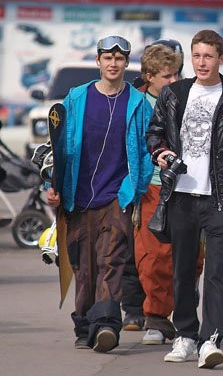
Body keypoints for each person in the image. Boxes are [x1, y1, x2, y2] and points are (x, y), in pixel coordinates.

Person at [146, 29, 223, 368]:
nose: (202, 62)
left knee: (216, 273)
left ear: (221, 59)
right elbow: (154, 133)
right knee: (182, 270)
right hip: (181, 196)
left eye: (208, 56)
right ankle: (184, 336)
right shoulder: (173, 94)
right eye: (196, 56)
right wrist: (160, 153)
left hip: (221, 199)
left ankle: (210, 340)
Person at [46, 35, 153, 352]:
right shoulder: (76, 98)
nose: (113, 63)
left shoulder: (138, 103)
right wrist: (54, 185)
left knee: (111, 261)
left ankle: (106, 324)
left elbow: (146, 152)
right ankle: (84, 325)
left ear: (126, 63)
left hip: (116, 197)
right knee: (84, 267)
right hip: (77, 198)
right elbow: (59, 146)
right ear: (98, 61)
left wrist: (133, 189)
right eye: (108, 58)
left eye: (119, 58)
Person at [132, 42, 205, 345]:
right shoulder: (136, 105)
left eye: (176, 74)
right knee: (154, 257)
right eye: (167, 76)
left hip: (190, 186)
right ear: (149, 77)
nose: (174, 81)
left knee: (192, 256)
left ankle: (184, 312)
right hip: (152, 187)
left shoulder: (189, 98)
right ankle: (157, 317)